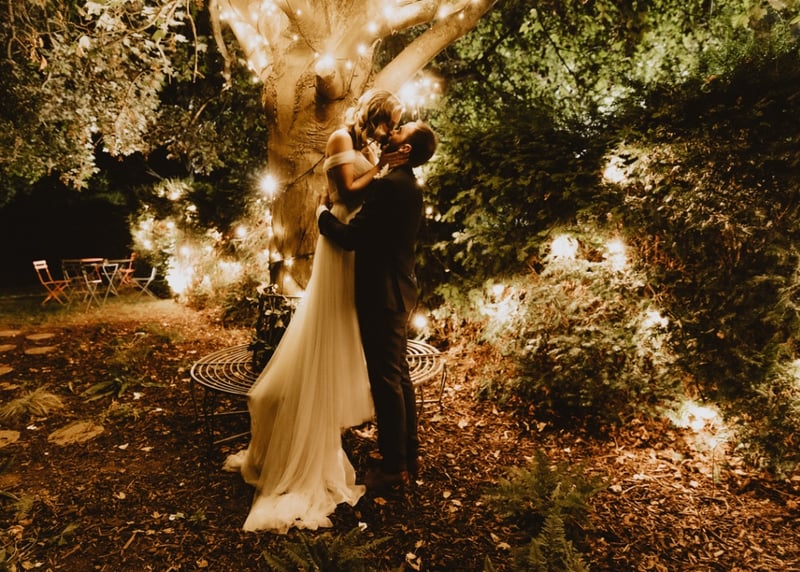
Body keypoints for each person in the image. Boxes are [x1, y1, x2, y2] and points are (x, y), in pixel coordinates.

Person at [223, 90, 407, 533]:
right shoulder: (340, 139)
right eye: (388, 121)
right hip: (338, 245)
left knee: (343, 337)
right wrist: (381, 167)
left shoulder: (367, 150)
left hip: (354, 247)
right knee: (325, 332)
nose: (389, 130)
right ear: (373, 116)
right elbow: (345, 190)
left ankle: (324, 435)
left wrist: (380, 165)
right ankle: (304, 445)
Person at [317, 121, 438, 491]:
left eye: (401, 131)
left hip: (381, 296)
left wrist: (322, 216)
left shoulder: (389, 186)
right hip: (400, 291)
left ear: (405, 149)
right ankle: (408, 454)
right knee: (399, 377)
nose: (394, 131)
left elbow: (352, 237)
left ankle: (393, 468)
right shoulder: (409, 185)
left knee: (386, 382)